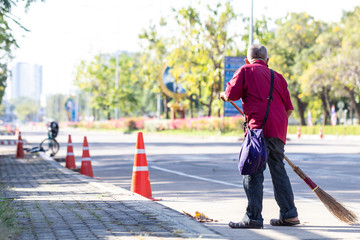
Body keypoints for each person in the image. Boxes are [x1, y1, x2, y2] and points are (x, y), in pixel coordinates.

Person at [220, 44, 299, 229]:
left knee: (252, 170)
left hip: (257, 130)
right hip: (277, 130)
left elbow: (231, 94)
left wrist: (224, 95)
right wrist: (275, 126)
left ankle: (253, 217)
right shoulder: (278, 77)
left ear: (247, 60)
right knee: (278, 171)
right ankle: (289, 214)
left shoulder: (245, 70)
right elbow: (288, 108)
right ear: (267, 61)